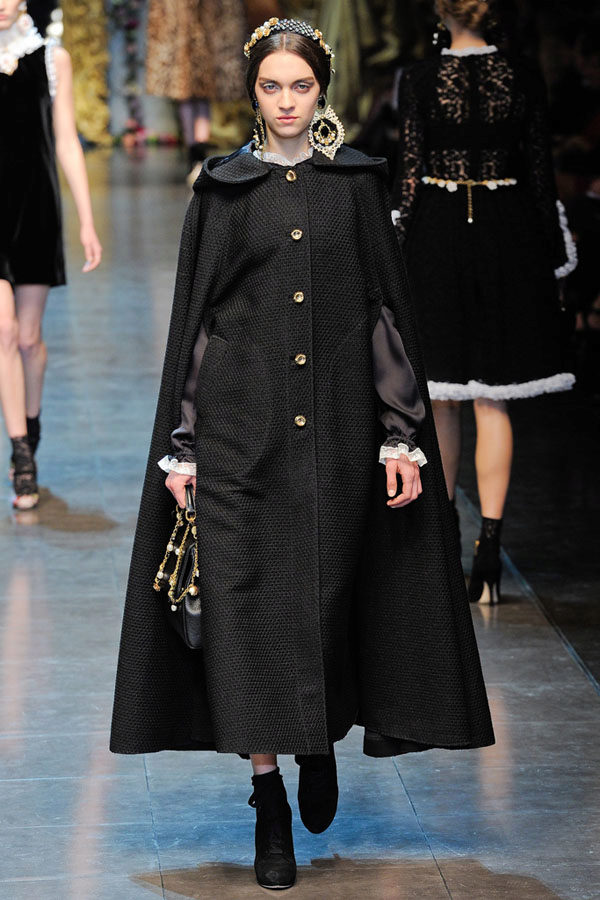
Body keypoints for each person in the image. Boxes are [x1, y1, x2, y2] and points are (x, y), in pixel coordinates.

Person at [111, 17, 494, 891]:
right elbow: (196, 330)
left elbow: (384, 318)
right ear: (252, 92)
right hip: (237, 440)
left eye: (302, 86)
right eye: (271, 87)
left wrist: (401, 434)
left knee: (324, 599)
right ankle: (268, 799)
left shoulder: (354, 186)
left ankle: (314, 738)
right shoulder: (221, 190)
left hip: (337, 435)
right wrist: (183, 451)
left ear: (321, 89)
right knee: (246, 617)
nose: (286, 103)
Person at [392, 0, 577, 606]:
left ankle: (443, 545)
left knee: (443, 396)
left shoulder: (420, 78)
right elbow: (540, 170)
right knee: (492, 398)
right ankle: (489, 551)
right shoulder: (522, 76)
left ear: (441, 12)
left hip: (439, 230)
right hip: (506, 229)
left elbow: (410, 174)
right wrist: (555, 257)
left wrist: (394, 249)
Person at [0, 0, 102, 509]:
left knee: (29, 338)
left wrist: (86, 219)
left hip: (34, 208)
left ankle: (31, 424)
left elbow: (65, 141)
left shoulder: (51, 58)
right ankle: (21, 454)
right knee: (3, 331)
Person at [145, 0, 246, 184]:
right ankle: (195, 152)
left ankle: (198, 151)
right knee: (185, 87)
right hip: (182, 20)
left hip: (205, 20)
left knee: (200, 88)